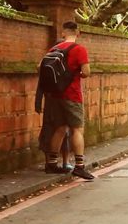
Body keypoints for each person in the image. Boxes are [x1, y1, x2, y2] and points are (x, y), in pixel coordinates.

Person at [39, 21, 94, 180]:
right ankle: (79, 166)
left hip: (55, 95)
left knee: (60, 128)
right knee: (77, 129)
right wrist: (78, 75)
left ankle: (52, 163)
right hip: (72, 95)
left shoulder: (54, 49)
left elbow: (39, 67)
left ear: (63, 33)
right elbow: (86, 72)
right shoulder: (79, 49)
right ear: (78, 33)